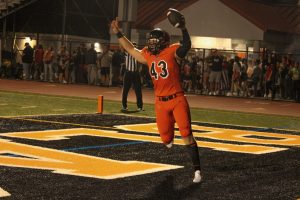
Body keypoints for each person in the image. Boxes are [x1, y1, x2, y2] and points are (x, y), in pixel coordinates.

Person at [111, 13, 202, 183]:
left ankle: (197, 171)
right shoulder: (148, 55)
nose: (151, 44)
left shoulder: (172, 51)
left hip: (177, 99)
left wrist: (183, 28)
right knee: (166, 139)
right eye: (150, 41)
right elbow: (131, 49)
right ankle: (170, 134)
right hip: (160, 102)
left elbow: (187, 45)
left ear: (163, 42)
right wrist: (118, 33)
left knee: (186, 134)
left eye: (155, 41)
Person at [121, 43, 143, 111]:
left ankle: (140, 107)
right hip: (128, 73)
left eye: (135, 47)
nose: (134, 48)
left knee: (138, 91)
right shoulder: (127, 53)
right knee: (125, 90)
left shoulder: (138, 54)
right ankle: (124, 106)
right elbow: (122, 46)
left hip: (136, 73)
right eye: (133, 46)